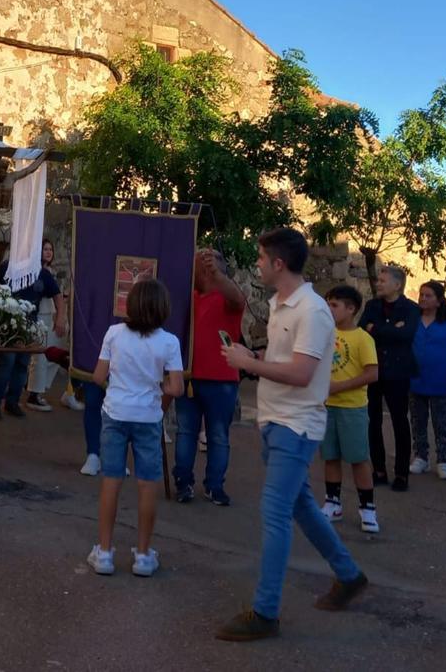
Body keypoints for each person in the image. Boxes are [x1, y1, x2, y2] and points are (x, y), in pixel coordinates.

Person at [216, 228, 366, 642]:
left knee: (276, 512)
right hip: (276, 420)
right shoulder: (283, 305)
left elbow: (301, 375)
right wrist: (256, 357)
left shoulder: (312, 310)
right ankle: (349, 575)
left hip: (296, 425)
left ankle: (265, 612)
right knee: (299, 505)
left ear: (279, 263)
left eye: (263, 258)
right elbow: (290, 361)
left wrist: (249, 363)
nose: (259, 263)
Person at [85, 279, 184, 577]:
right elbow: (177, 388)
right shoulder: (169, 342)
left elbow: (97, 376)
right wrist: (158, 383)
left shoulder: (114, 334)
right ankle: (142, 555)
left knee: (111, 481)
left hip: (115, 413)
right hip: (148, 417)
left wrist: (117, 382)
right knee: (147, 485)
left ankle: (104, 552)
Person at [173, 249, 246, 506]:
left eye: (207, 265)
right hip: (188, 376)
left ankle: (215, 486)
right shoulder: (188, 298)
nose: (200, 268)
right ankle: (183, 482)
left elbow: (238, 298)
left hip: (222, 380)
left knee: (217, 436)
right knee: (185, 432)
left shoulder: (227, 299)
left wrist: (217, 275)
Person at [319, 286, 381, 534]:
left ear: (351, 309)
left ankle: (368, 508)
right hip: (327, 407)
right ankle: (333, 503)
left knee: (357, 458)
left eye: (335, 305)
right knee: (330, 456)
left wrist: (338, 387)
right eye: (328, 303)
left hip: (352, 408)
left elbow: (372, 373)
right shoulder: (324, 333)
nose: (329, 309)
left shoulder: (363, 339)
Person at [0, 242, 66, 420]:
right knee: (7, 363)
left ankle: (12, 401)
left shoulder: (43, 273)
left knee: (22, 365)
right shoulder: (8, 267)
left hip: (29, 326)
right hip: (9, 324)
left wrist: (61, 317)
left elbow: (58, 297)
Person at [359, 266, 420, 492]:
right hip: (373, 370)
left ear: (397, 284)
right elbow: (361, 330)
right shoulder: (371, 306)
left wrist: (377, 329)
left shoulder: (411, 309)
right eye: (378, 280)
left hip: (398, 372)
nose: (378, 284)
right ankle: (379, 469)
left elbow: (406, 335)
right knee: (373, 421)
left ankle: (402, 473)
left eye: (383, 280)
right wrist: (390, 329)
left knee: (399, 421)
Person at [409, 281, 446, 481]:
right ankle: (421, 456)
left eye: (428, 296)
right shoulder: (413, 319)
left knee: (442, 422)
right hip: (415, 378)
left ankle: (443, 460)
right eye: (421, 295)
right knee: (418, 420)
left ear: (439, 300)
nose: (423, 299)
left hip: (441, 379)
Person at [26, 240, 70, 410]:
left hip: (51, 315)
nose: (48, 252)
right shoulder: (36, 272)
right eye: (45, 249)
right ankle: (34, 394)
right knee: (41, 355)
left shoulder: (51, 271)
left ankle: (37, 387)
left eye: (50, 249)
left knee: (55, 353)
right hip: (40, 316)